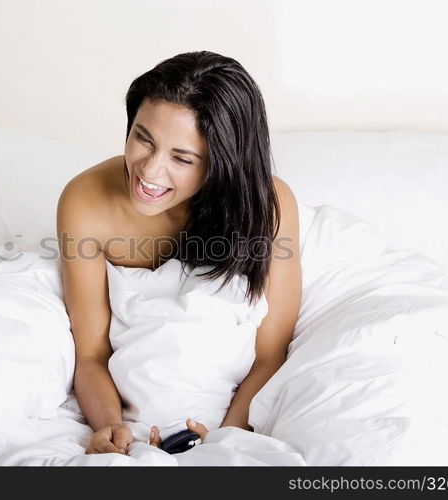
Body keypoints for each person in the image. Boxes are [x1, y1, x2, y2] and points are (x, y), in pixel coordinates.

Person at [56, 50, 301, 455]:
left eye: (182, 158)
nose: (149, 172)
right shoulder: (86, 201)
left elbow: (270, 354)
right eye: (142, 138)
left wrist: (224, 437)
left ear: (222, 162)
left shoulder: (268, 207)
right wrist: (113, 428)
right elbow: (92, 353)